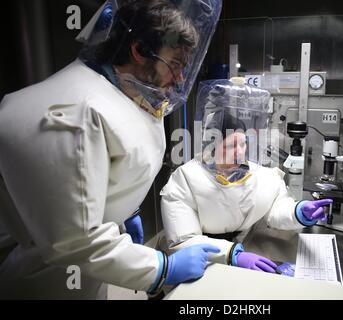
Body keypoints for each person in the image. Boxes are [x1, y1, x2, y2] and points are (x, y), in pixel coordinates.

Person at [0, 0, 222, 299]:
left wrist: (123, 208)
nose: (181, 79)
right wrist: (162, 269)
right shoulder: (74, 111)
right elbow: (75, 241)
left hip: (87, 271)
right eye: (176, 64)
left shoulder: (125, 92)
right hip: (46, 279)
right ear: (140, 51)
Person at [160, 79, 333, 273]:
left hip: (244, 253)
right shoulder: (185, 180)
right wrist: (231, 254)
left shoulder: (260, 176)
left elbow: (274, 210)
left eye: (243, 145)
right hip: (201, 264)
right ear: (212, 145)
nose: (240, 153)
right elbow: (183, 239)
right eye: (231, 146)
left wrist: (298, 212)